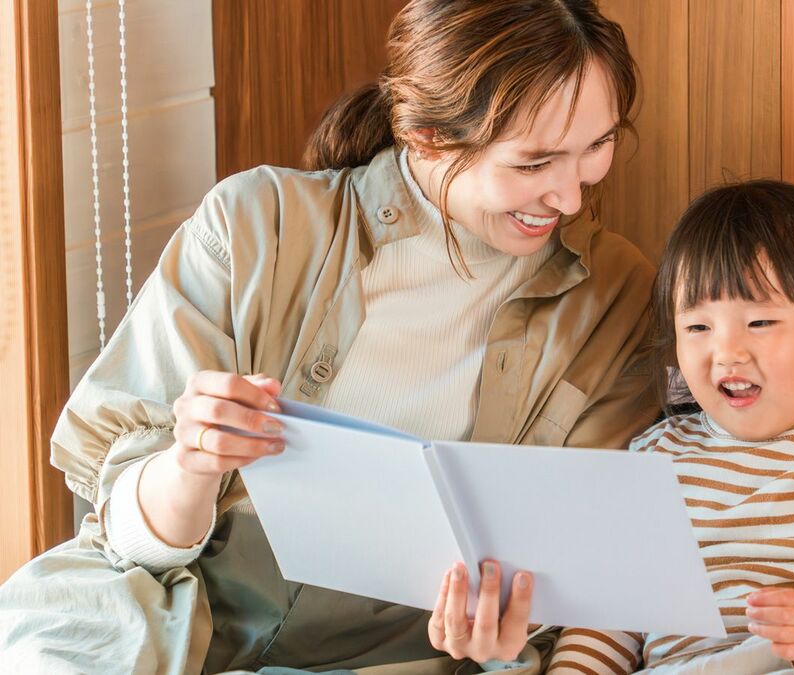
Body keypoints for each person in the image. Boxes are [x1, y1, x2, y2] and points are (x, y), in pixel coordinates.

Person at [0, 1, 657, 673]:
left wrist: (506, 643)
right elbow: (128, 540)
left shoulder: (615, 297)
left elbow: (576, 570)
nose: (570, 197)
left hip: (399, 653)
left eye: (598, 146)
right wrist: (189, 464)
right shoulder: (256, 226)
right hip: (164, 608)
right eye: (533, 163)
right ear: (427, 135)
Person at [545, 181, 794, 675]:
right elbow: (610, 614)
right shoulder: (654, 456)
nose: (727, 353)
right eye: (698, 327)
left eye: (759, 322)